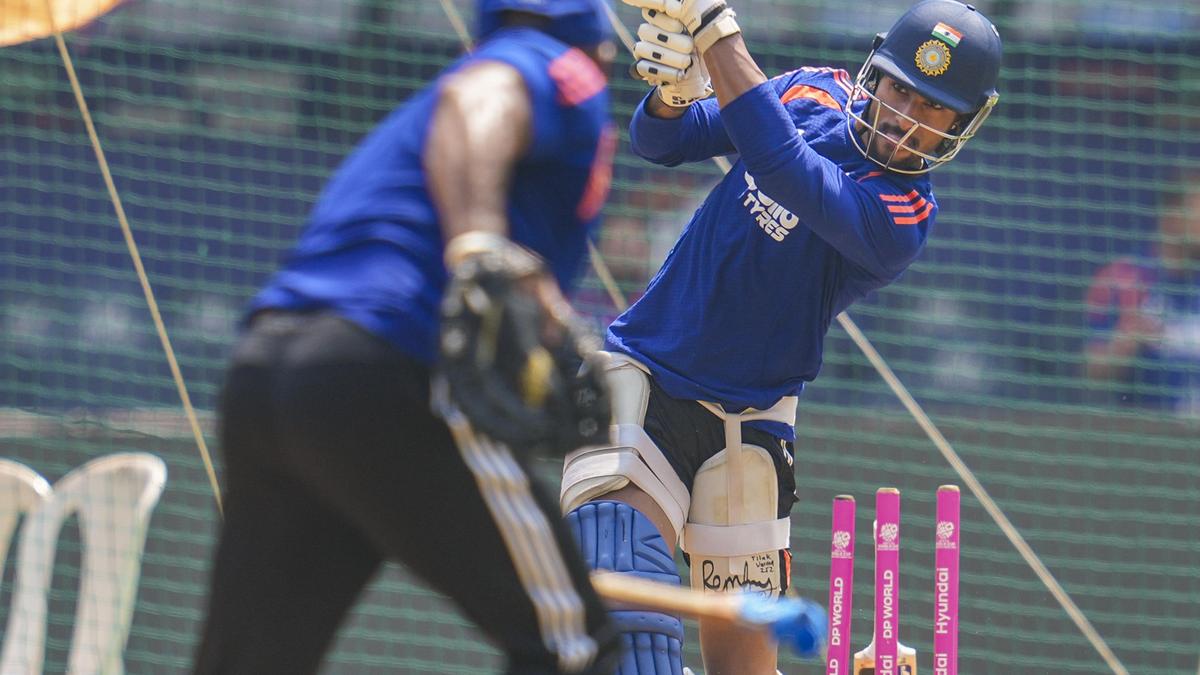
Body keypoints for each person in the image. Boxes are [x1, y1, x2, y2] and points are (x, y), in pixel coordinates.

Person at [557, 0, 1002, 673]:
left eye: (933, 107)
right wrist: (673, 97)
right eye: (900, 89)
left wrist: (715, 28)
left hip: (752, 426)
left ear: (962, 124)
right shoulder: (811, 91)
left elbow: (783, 166)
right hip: (646, 380)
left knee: (743, 664)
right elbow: (662, 142)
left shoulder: (905, 214)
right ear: (875, 73)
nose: (906, 116)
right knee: (624, 601)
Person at [191, 1, 623, 673]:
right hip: (387, 371)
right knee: (576, 649)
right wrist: (479, 247)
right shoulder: (556, 67)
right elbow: (483, 96)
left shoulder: (428, 102)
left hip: (268, 372)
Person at [1084, 176, 1200, 415]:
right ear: (1172, 215)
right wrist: (1128, 339)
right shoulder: (1123, 278)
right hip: (1148, 427)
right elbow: (1093, 370)